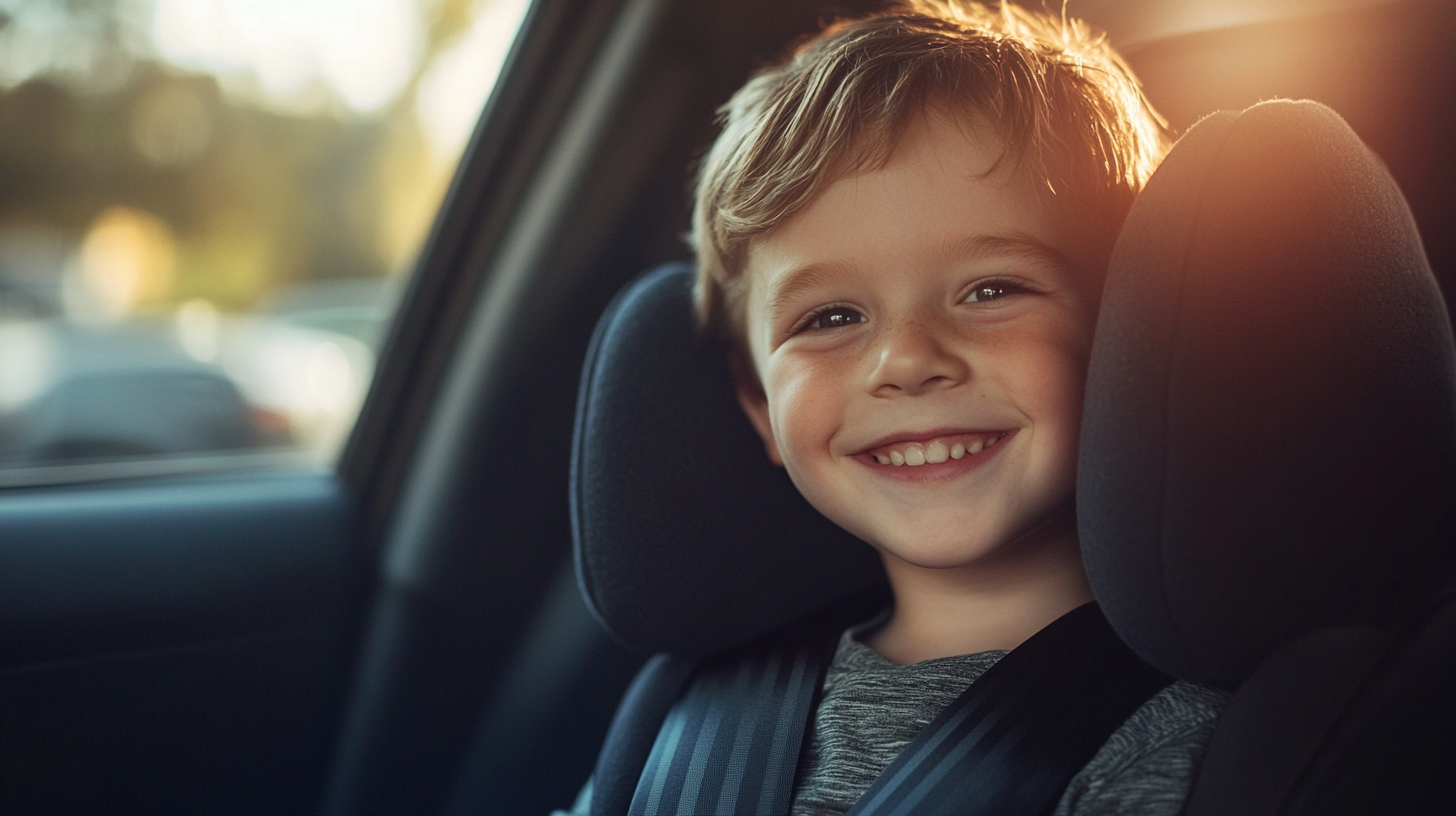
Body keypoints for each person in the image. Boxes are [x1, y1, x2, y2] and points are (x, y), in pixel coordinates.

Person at [575, 2, 1227, 814]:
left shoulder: (1172, 745)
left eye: (992, 290)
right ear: (757, 403)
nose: (909, 361)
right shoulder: (681, 718)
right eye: (831, 318)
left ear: (1125, 339)